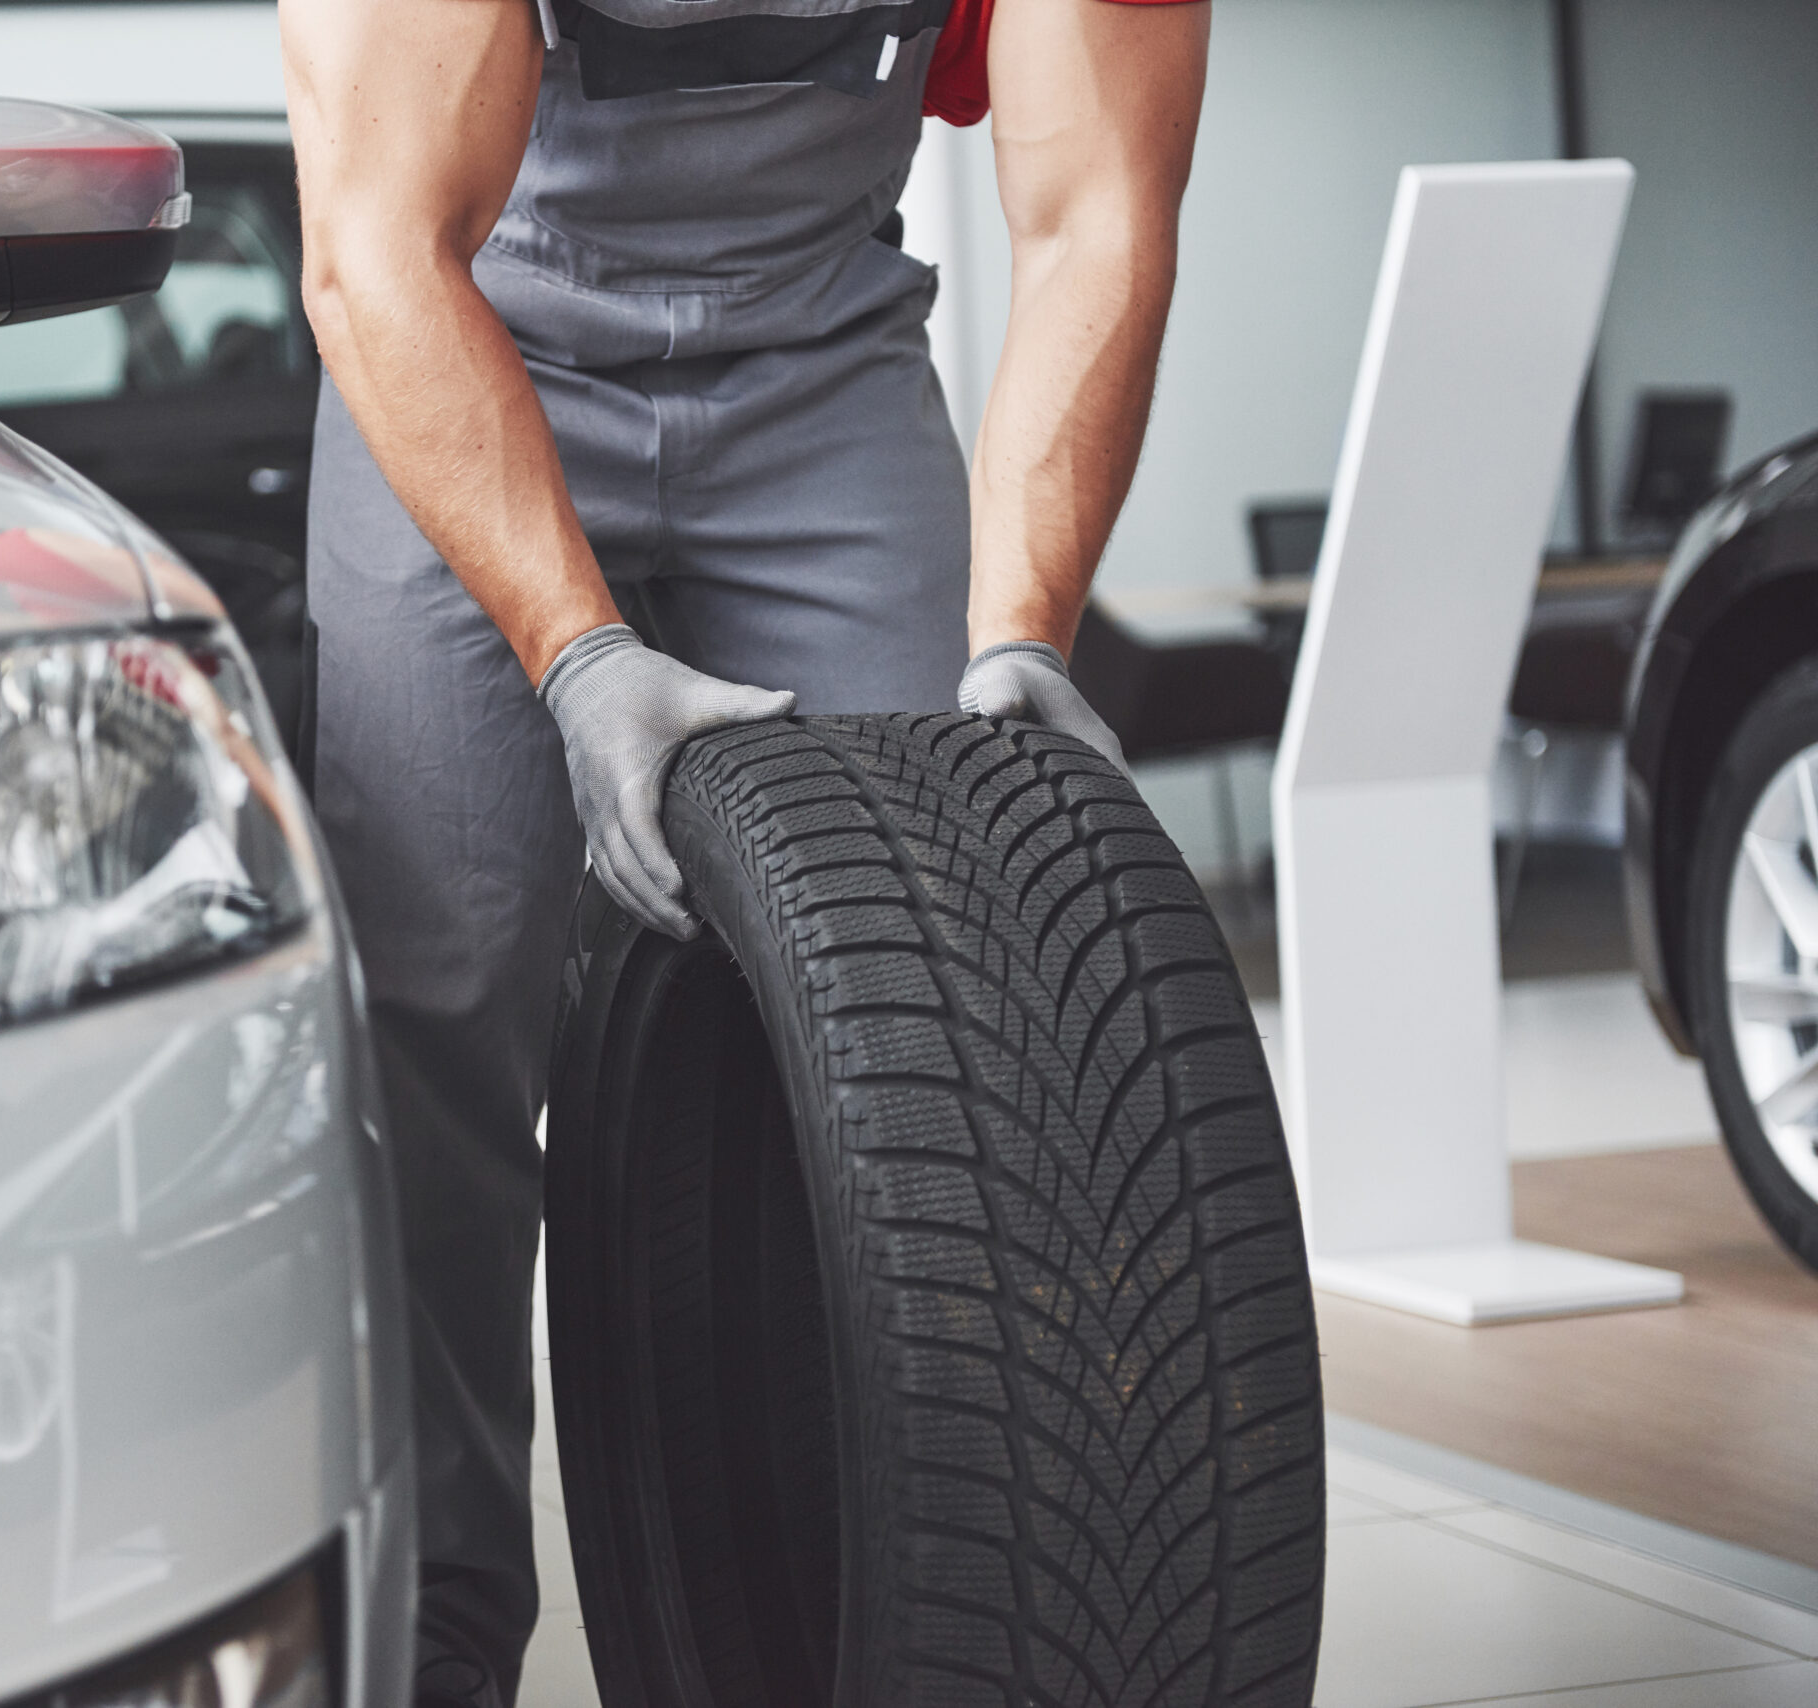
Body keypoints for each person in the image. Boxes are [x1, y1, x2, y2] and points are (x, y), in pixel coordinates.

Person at [279, 0, 1209, 1700]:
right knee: (439, 1021)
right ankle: (439, 1628)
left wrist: (1027, 625)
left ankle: (924, 1613)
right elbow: (378, 249)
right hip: (474, 338)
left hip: (825, 365)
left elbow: (1099, 214)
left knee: (962, 1005)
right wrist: (577, 652)